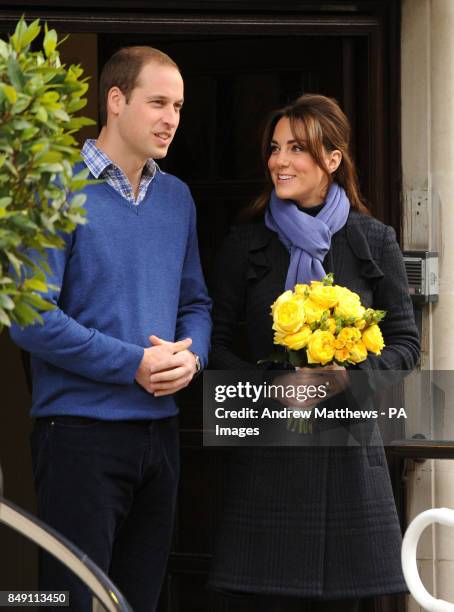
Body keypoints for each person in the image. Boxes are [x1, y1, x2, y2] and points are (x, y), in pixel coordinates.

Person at [10, 46, 211, 611]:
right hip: (79, 436)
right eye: (157, 103)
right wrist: (134, 364)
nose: (171, 118)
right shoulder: (55, 189)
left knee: (138, 602)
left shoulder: (177, 198)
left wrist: (190, 358)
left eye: (178, 106)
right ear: (116, 101)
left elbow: (196, 302)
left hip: (160, 438)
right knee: (74, 602)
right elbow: (31, 318)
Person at [208, 94, 419, 611]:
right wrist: (273, 387)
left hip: (349, 463)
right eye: (275, 148)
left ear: (332, 158)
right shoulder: (246, 243)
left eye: (297, 149)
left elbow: (408, 346)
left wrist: (350, 375)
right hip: (268, 460)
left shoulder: (373, 240)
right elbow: (209, 346)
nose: (279, 161)